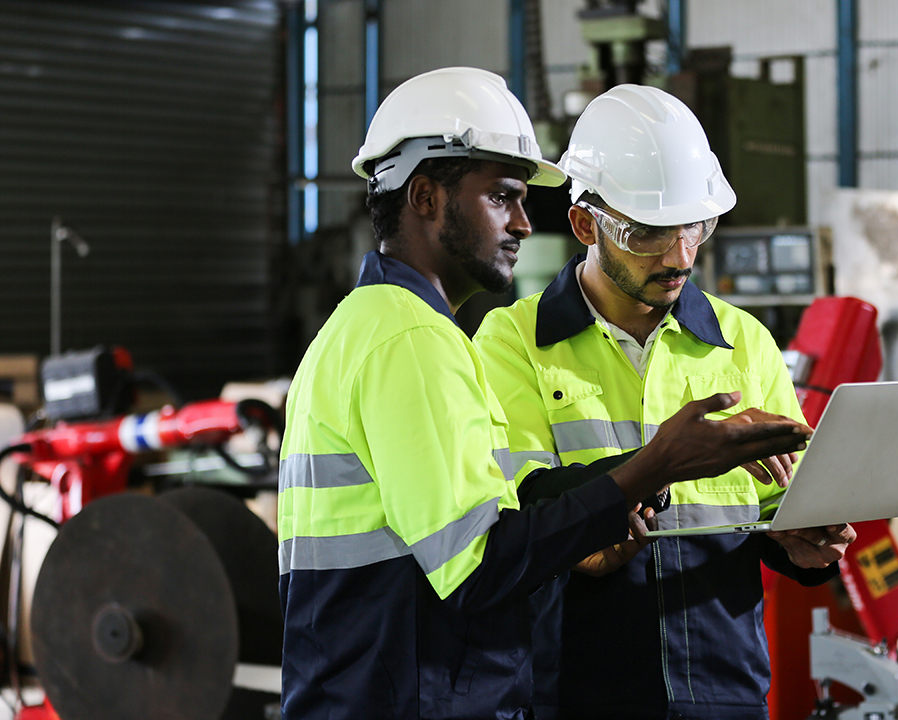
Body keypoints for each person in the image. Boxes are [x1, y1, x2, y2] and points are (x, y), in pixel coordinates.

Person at [276, 68, 812, 720]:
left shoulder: (385, 329)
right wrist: (659, 464)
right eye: (502, 197)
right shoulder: (413, 340)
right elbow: (481, 563)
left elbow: (500, 521)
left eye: (694, 227)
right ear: (424, 197)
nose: (526, 224)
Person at [473, 84, 857, 720]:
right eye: (649, 233)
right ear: (584, 223)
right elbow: (515, 514)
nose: (680, 257)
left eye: (696, 227)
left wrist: (802, 544)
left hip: (724, 690)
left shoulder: (743, 342)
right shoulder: (514, 343)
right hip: (578, 693)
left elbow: (773, 507)